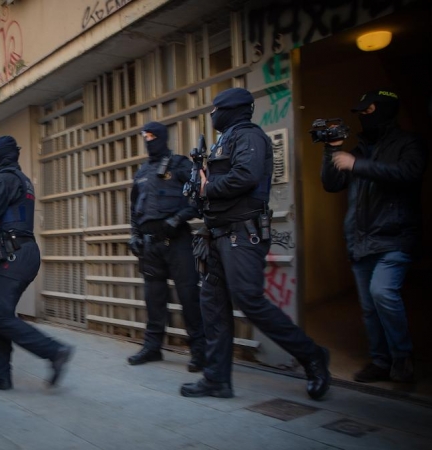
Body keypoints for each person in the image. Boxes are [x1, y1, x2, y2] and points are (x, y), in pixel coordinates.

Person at [180, 87, 330, 400]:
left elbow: (245, 177)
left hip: (242, 235)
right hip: (218, 235)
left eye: (216, 109)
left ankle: (312, 356)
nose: (212, 115)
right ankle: (217, 379)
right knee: (214, 307)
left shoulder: (249, 136)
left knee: (249, 301)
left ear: (232, 109)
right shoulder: (227, 138)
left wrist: (208, 189)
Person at [321, 89, 427, 383]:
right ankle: (381, 361)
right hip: (360, 240)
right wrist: (332, 149)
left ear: (384, 109)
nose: (363, 118)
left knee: (383, 293)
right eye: (360, 114)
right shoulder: (359, 149)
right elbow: (331, 184)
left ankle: (402, 359)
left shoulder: (409, 143)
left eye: (367, 112)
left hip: (395, 236)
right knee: (369, 307)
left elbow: (409, 173)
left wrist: (358, 165)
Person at [0, 136, 73, 391]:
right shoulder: (22, 180)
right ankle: (0, 375)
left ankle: (54, 351)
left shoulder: (5, 179)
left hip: (15, 255)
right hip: (21, 252)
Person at [127, 122, 206, 371]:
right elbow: (134, 209)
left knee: (188, 297)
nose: (148, 140)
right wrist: (134, 234)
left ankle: (200, 351)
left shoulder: (180, 164)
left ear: (162, 137)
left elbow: (198, 199)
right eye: (145, 136)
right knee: (154, 299)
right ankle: (152, 348)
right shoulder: (141, 173)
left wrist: (177, 218)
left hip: (178, 241)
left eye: (152, 136)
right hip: (150, 246)